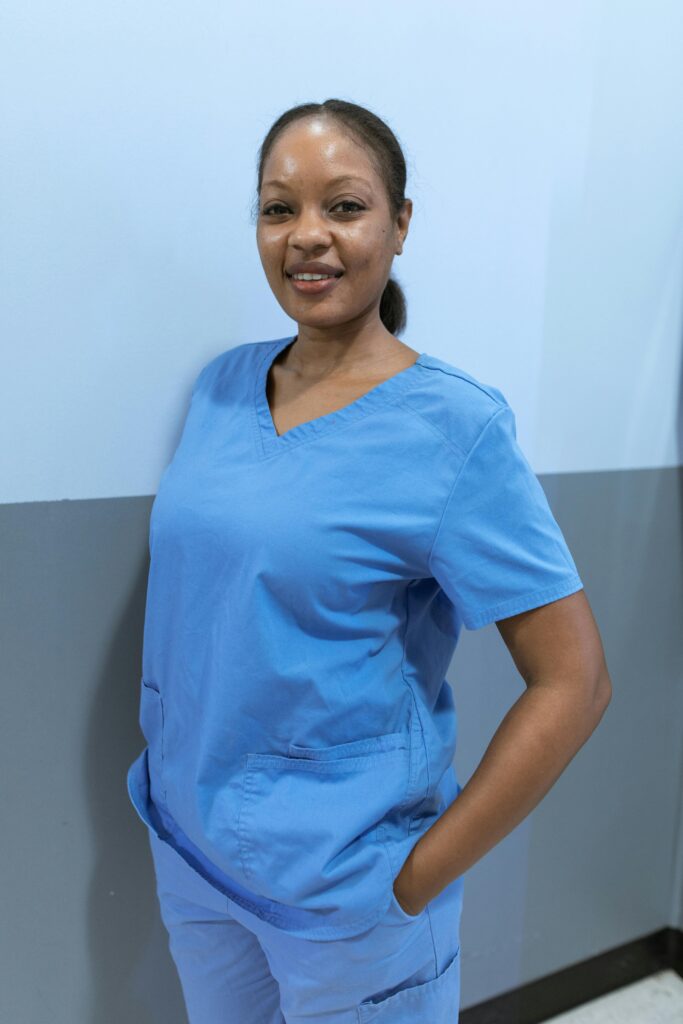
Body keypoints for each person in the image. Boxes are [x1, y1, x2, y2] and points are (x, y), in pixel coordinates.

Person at [126, 98, 611, 1024]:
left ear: (399, 224)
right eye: (279, 209)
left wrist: (412, 880)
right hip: (194, 859)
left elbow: (574, 682)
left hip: (351, 902)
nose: (307, 236)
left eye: (344, 206)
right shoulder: (223, 387)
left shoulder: (453, 429)